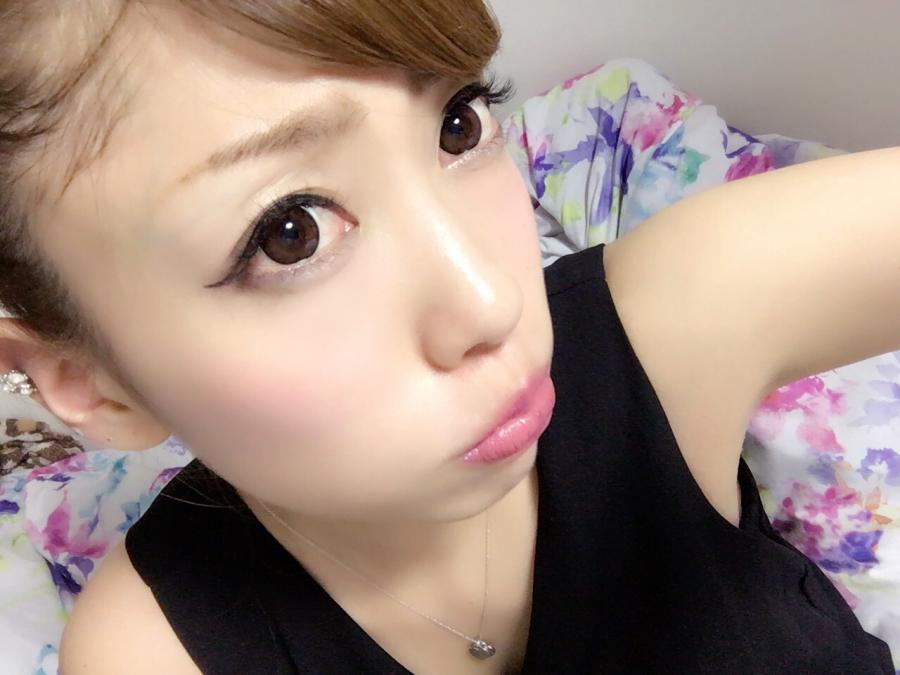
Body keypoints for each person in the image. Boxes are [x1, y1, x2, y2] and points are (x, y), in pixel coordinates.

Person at [0, 1, 895, 673]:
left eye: (459, 124)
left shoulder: (670, 322)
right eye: (289, 234)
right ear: (87, 379)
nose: (491, 302)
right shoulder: (154, 651)